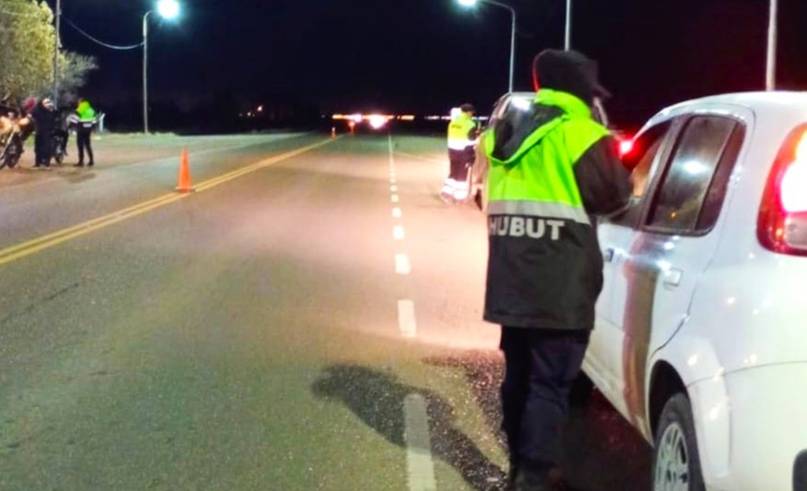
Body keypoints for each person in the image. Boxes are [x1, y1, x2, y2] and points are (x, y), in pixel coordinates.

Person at [482, 49, 632, 491]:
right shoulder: (580, 134)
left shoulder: (506, 133)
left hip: (510, 278)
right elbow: (613, 197)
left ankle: (518, 466)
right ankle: (533, 477)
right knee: (549, 386)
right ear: (581, 91)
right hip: (561, 283)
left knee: (519, 378)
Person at [441, 103, 478, 203]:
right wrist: (472, 155)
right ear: (469, 112)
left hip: (452, 151)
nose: (472, 115)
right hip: (464, 153)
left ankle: (446, 192)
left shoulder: (453, 122)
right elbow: (471, 141)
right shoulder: (470, 124)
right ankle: (459, 197)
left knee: (453, 172)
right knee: (462, 175)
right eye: (472, 113)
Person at [31, 98, 57, 168]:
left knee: (47, 147)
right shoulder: (37, 110)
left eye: (48, 102)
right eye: (46, 103)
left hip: (47, 131)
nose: (47, 104)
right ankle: (38, 162)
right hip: (39, 131)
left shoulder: (51, 110)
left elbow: (54, 119)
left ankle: (46, 162)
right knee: (38, 147)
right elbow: (32, 114)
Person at [75, 98, 97, 167]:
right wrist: (93, 129)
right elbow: (94, 121)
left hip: (81, 130)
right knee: (88, 145)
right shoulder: (91, 110)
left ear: (81, 102)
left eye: (78, 102)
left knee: (80, 145)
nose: (78, 103)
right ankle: (91, 161)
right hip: (88, 130)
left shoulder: (79, 109)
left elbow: (75, 120)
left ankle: (81, 161)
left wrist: (71, 127)